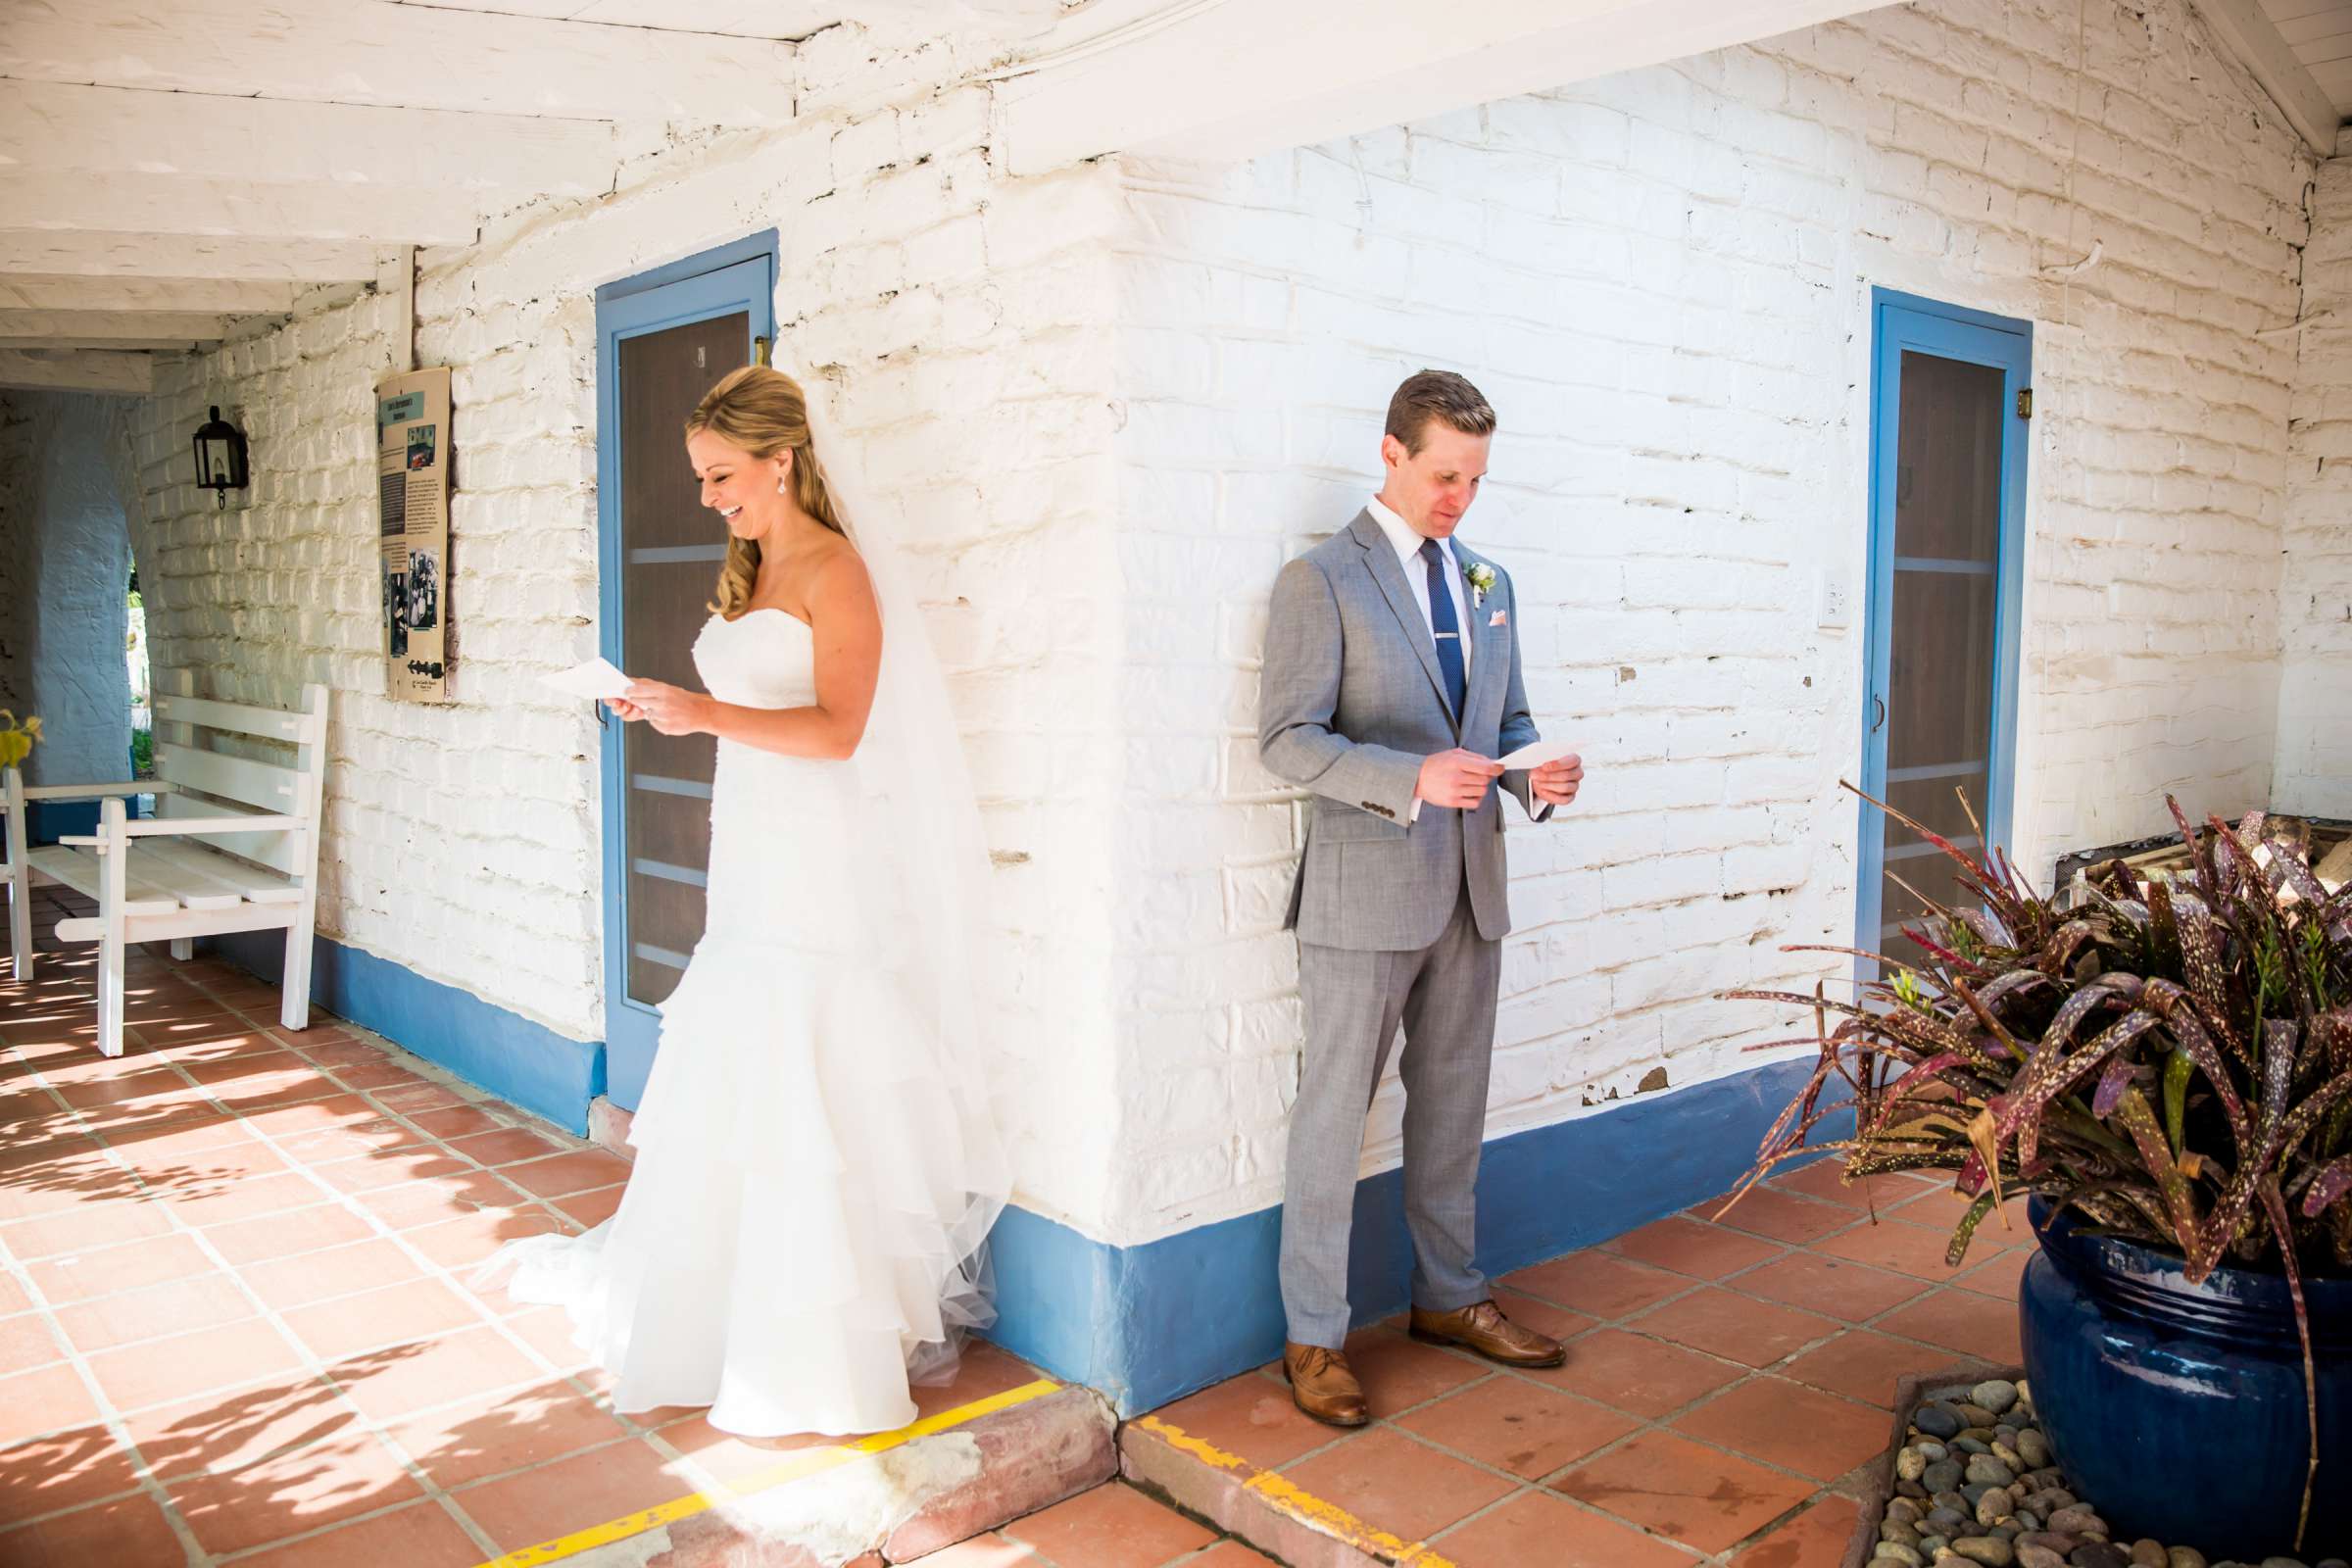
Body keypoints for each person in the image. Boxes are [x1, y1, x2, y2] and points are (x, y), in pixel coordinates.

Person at [485, 366, 1007, 1438]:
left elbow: (839, 732)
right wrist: (668, 708)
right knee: (740, 1058)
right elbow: (740, 710)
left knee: (808, 1066)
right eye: (700, 477)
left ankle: (809, 1341)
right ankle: (714, 1302)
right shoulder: (754, 563)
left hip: (819, 861)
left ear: (782, 459)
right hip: (753, 851)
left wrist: (703, 712)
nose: (710, 496)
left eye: (722, 474)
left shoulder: (836, 571)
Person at [1256, 369, 1585, 1427]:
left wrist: (1535, 771)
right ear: (1391, 453)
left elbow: (1511, 717)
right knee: (1333, 1116)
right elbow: (1286, 740)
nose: (1459, 498)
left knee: (1453, 1109)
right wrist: (1407, 780)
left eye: (1476, 480)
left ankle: (1447, 1297)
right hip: (1361, 897)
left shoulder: (1491, 583)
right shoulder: (1322, 581)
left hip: (1470, 889)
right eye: (1445, 474)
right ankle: (1314, 1337)